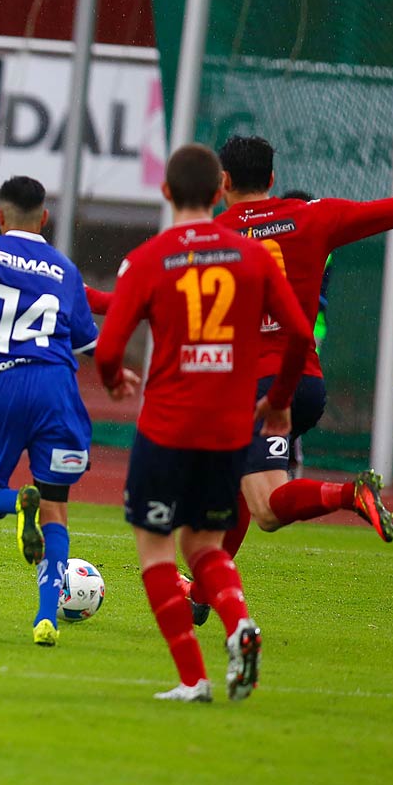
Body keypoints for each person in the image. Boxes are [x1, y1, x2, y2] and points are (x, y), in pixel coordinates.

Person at [212, 135, 393, 562]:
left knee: (265, 505)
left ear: (223, 181)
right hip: (308, 384)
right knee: (245, 480)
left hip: (257, 387)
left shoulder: (212, 235)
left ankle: (349, 494)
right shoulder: (313, 216)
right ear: (273, 179)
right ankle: (203, 593)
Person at [94, 144, 314, 702]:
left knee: (156, 550)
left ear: (166, 193)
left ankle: (193, 679)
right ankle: (239, 624)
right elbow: (299, 335)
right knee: (208, 547)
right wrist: (282, 401)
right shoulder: (254, 257)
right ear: (219, 191)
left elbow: (110, 347)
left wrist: (116, 379)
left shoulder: (148, 258)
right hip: (229, 429)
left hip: (167, 427)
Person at [0, 175, 117, 648]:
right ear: (45, 218)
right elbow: (91, 342)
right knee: (58, 505)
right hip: (56, 388)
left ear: (1, 215)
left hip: (1, 383)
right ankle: (45, 618)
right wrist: (117, 377)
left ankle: (15, 502)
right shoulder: (65, 270)